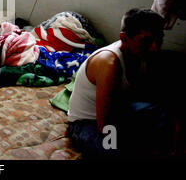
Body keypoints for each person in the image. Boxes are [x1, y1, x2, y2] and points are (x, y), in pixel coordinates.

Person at [67, 8, 182, 159]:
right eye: (146, 41)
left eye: (159, 39)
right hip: (88, 124)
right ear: (124, 38)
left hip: (119, 111)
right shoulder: (109, 64)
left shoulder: (143, 53)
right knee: (116, 151)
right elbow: (105, 126)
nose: (155, 47)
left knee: (162, 113)